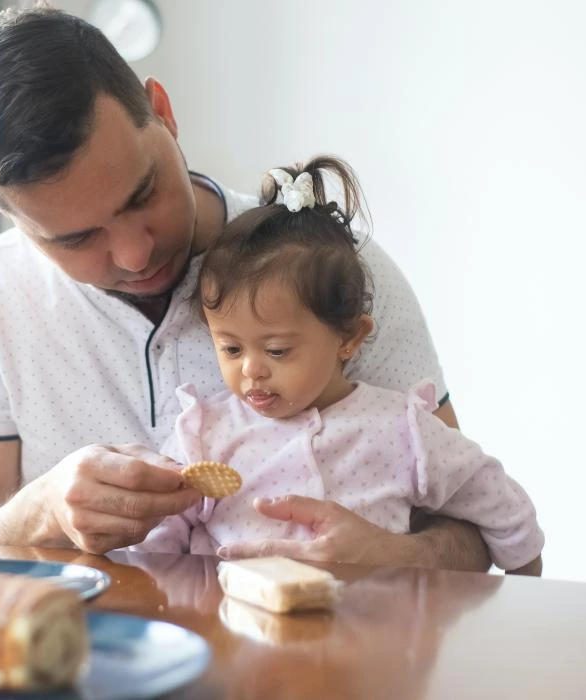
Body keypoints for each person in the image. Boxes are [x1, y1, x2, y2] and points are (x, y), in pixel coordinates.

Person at [0, 5, 490, 570]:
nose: (134, 253)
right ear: (17, 222)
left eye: (142, 194)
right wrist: (40, 512)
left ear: (163, 112)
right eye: (77, 239)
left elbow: (476, 533)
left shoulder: (334, 270)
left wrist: (396, 554)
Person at [129, 157, 544, 575]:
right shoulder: (202, 438)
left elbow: (496, 499)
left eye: (276, 351)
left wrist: (525, 577)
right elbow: (153, 549)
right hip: (238, 630)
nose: (251, 370)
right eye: (231, 349)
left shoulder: (403, 429)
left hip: (376, 634)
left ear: (348, 338)